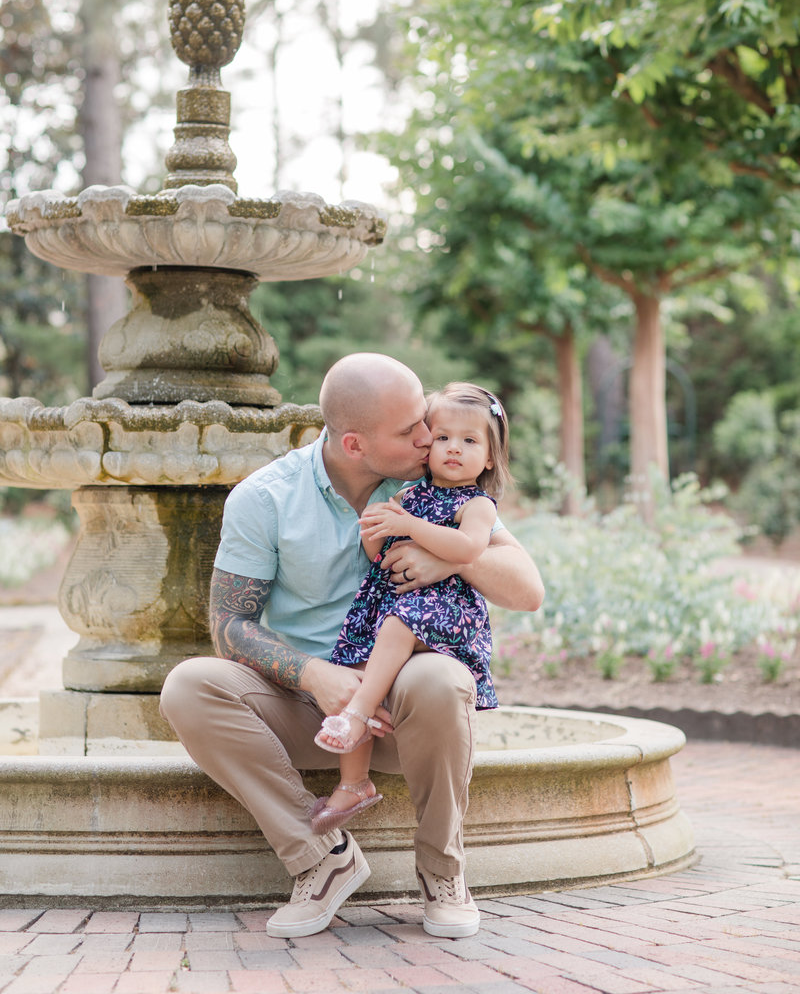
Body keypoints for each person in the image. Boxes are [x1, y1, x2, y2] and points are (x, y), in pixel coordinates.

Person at [160, 353, 544, 940]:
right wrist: (315, 675)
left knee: (441, 678)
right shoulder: (265, 499)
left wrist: (443, 562)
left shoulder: (435, 483)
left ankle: (444, 872)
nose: (429, 437)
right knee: (188, 686)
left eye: (427, 423)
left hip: (400, 713)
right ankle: (321, 857)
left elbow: (527, 588)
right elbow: (229, 626)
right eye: (412, 429)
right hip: (308, 711)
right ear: (356, 444)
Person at [311, 383, 509, 837]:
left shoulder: (475, 505)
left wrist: (408, 525)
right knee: (356, 662)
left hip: (446, 610)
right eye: (442, 438)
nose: (453, 449)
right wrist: (375, 529)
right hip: (392, 603)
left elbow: (467, 547)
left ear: (490, 458)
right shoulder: (408, 493)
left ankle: (357, 714)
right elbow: (380, 555)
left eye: (469, 441)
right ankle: (353, 782)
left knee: (400, 624)